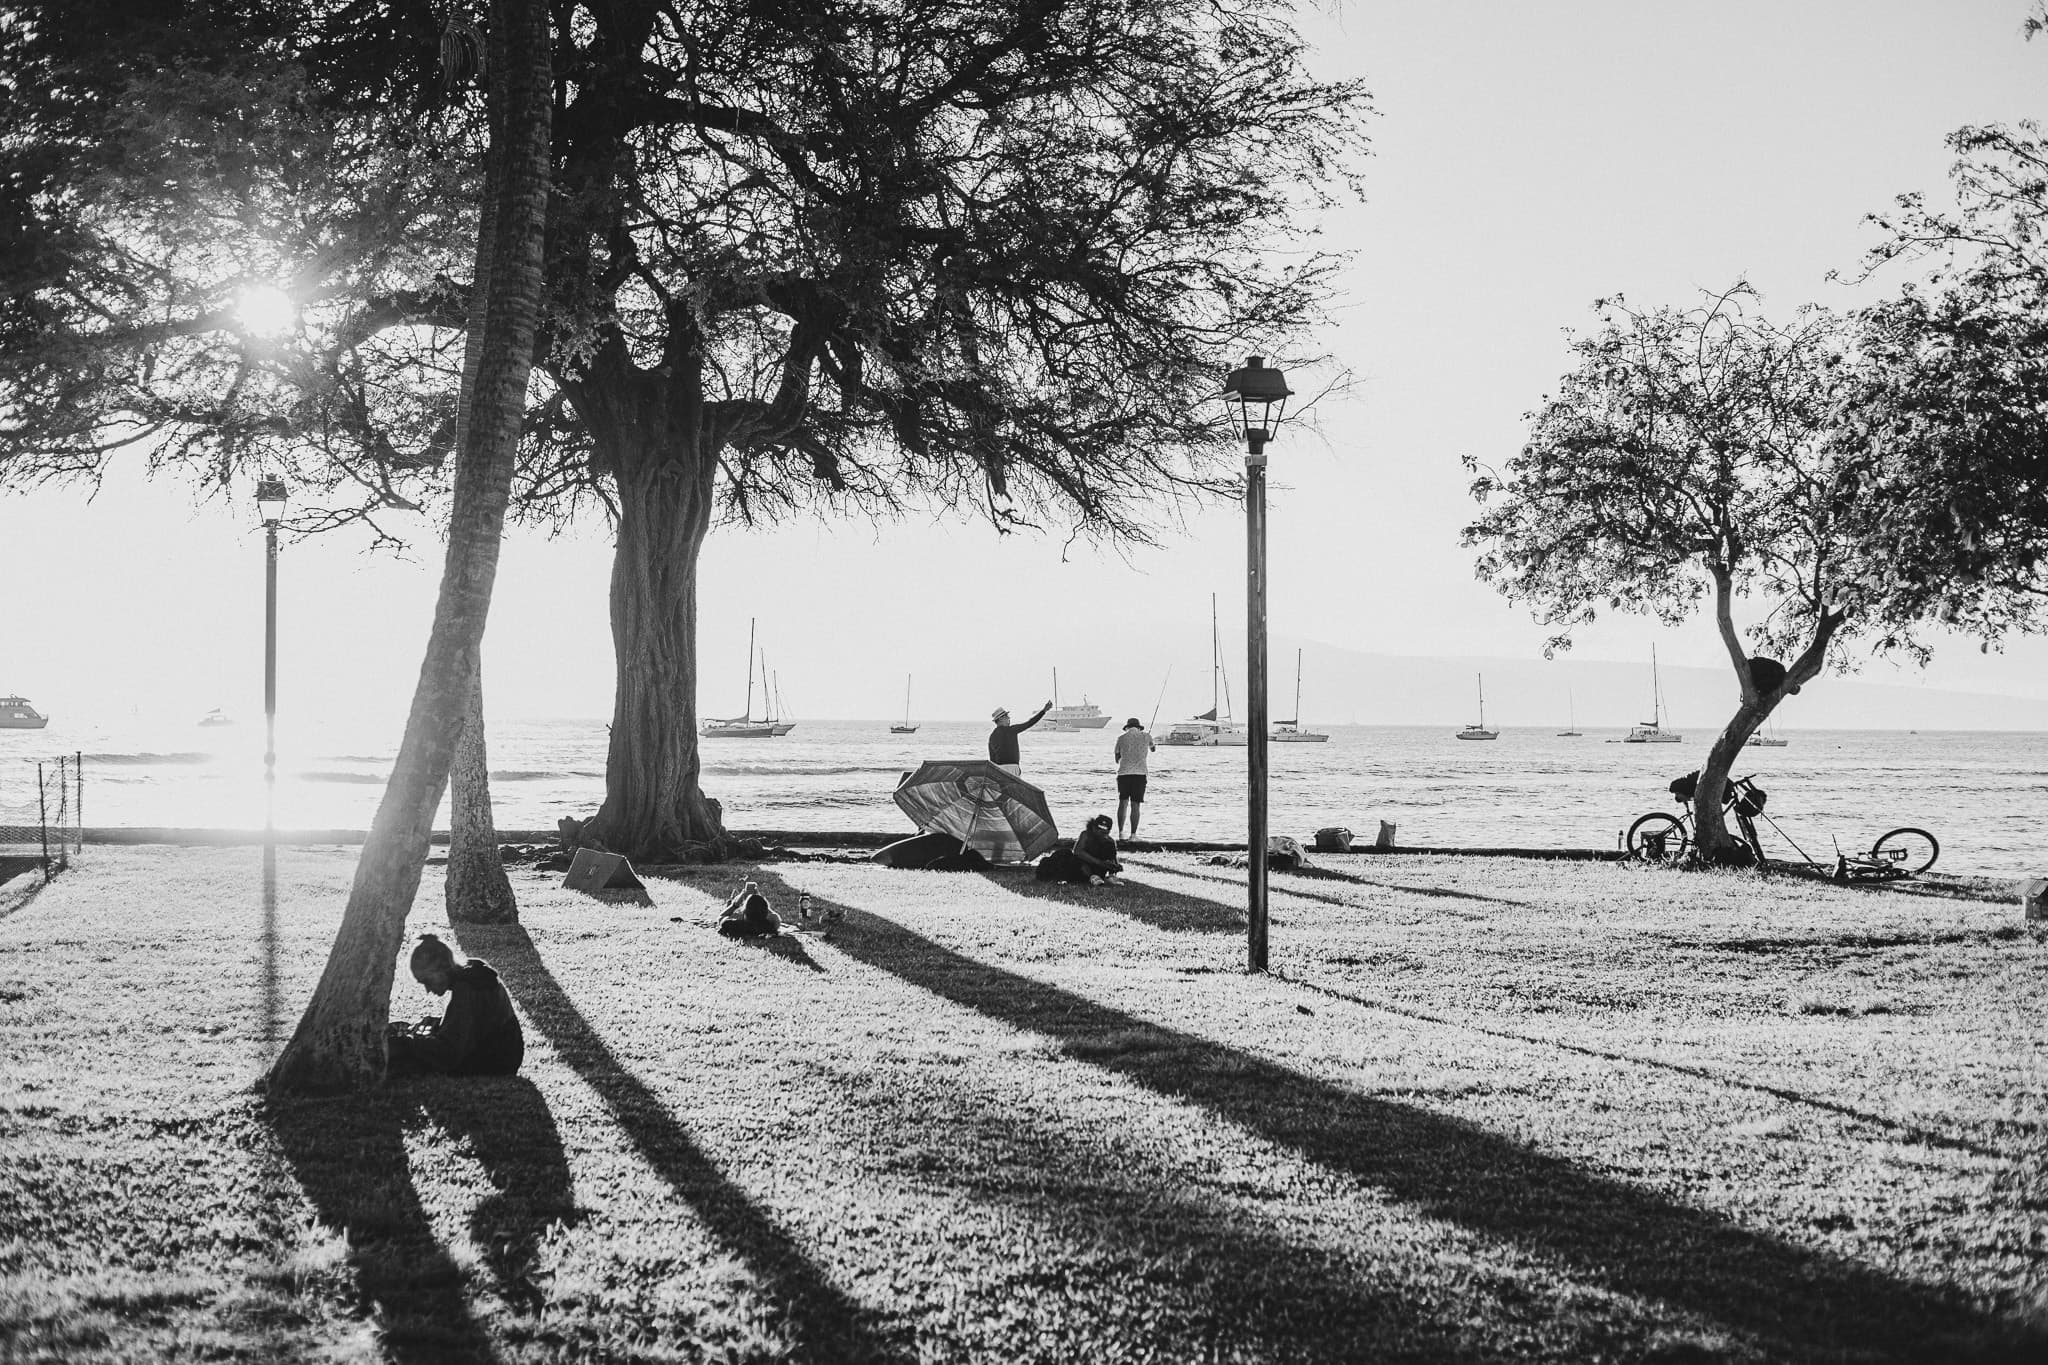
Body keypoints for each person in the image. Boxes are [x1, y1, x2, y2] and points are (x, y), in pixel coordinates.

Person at [386, 933, 525, 1076]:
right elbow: (473, 1021)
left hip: (496, 1062)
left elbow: (448, 1053)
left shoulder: (466, 987)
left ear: (443, 967)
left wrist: (406, 1044)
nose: (428, 990)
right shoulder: (470, 973)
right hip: (506, 1054)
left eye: (427, 981)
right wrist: (439, 1022)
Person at [1112, 716, 1155, 841]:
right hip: (1140, 775)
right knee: (1135, 805)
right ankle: (1133, 835)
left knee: (1123, 802)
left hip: (1123, 774)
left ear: (1127, 728)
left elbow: (1116, 759)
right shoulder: (1146, 736)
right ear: (1139, 727)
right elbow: (1153, 749)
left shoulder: (1121, 738)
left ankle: (1120, 833)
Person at [986, 699, 1053, 775]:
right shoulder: (1011, 730)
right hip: (1012, 768)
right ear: (1001, 719)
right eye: (1007, 716)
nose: (1009, 718)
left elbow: (992, 760)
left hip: (999, 770)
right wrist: (1044, 711)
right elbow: (1029, 723)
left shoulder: (992, 737)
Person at [1072, 814, 1124, 886]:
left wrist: (1115, 866)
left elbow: (1113, 857)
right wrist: (1098, 862)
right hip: (1084, 866)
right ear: (1094, 828)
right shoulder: (1086, 835)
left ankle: (1111, 877)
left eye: (1105, 832)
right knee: (1077, 861)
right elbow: (1077, 852)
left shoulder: (1110, 841)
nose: (1102, 835)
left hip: (1100, 869)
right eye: (1100, 831)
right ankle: (1092, 876)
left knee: (1109, 845)